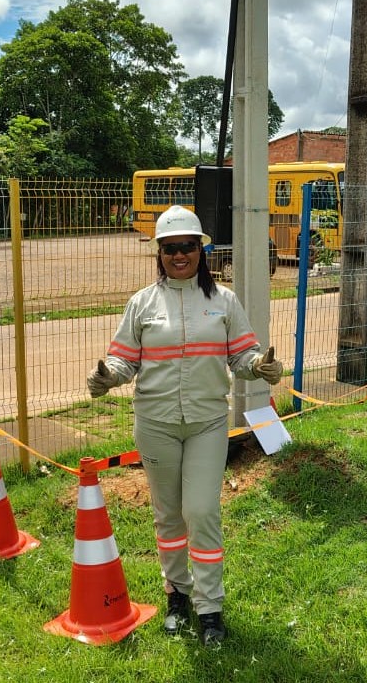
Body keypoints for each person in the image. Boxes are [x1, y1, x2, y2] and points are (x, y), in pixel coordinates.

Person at [87, 205, 283, 647]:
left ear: (201, 250)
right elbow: (124, 359)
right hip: (154, 424)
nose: (179, 255)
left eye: (188, 247)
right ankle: (177, 590)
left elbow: (243, 356)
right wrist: (108, 376)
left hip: (207, 423)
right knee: (169, 515)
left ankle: (209, 605)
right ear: (159, 252)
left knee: (201, 511)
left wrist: (260, 365)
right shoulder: (142, 303)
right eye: (171, 248)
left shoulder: (223, 301)